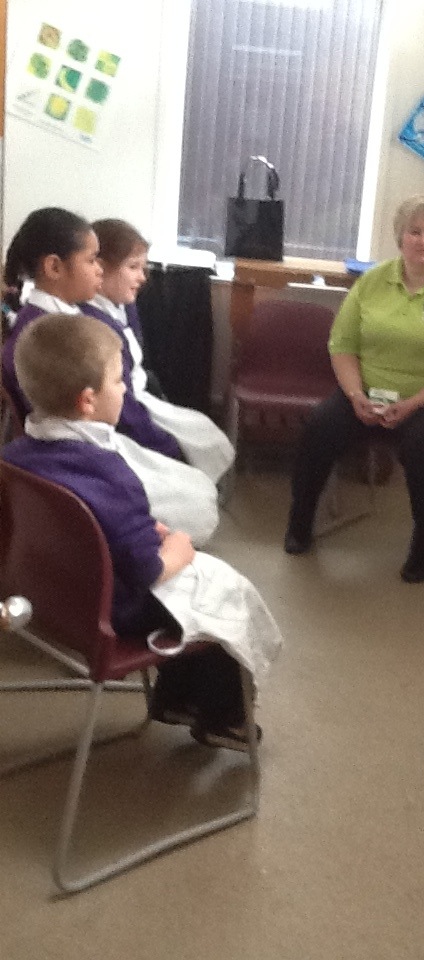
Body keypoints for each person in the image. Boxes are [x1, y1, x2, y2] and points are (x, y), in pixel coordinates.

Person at [1, 312, 282, 749]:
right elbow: (148, 570)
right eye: (119, 381)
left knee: (197, 593)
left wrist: (139, 528)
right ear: (88, 401)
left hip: (54, 597)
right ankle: (224, 718)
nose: (125, 389)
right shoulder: (109, 472)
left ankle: (176, 700)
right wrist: (178, 548)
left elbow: (86, 521)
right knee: (224, 595)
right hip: (112, 610)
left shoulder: (15, 457)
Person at [284, 193, 424, 583]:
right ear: (400, 237)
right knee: (320, 426)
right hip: (370, 393)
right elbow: (342, 345)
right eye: (415, 231)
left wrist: (413, 404)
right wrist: (355, 395)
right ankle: (299, 523)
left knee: (420, 445)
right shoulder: (373, 282)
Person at [1, 207, 219, 545]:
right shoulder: (45, 337)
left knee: (196, 490)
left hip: (92, 440)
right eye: (91, 260)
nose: (99, 270)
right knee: (194, 502)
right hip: (79, 455)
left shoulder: (66, 319)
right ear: (54, 267)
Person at [81, 218, 235, 484]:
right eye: (133, 267)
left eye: (143, 267)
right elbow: (124, 409)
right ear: (101, 269)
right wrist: (164, 444)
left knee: (205, 433)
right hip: (127, 413)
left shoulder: (122, 306)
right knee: (188, 455)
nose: (143, 277)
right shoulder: (97, 328)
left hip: (139, 397)